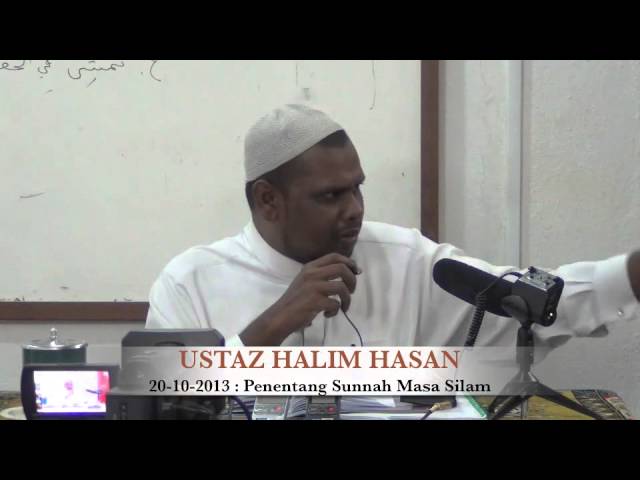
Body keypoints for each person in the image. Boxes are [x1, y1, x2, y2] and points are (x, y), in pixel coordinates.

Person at [146, 104, 640, 350]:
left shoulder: (406, 260)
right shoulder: (189, 282)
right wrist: (270, 327)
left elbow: (530, 301)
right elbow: (165, 406)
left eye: (357, 189)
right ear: (268, 200)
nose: (355, 210)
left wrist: (630, 275)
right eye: (331, 196)